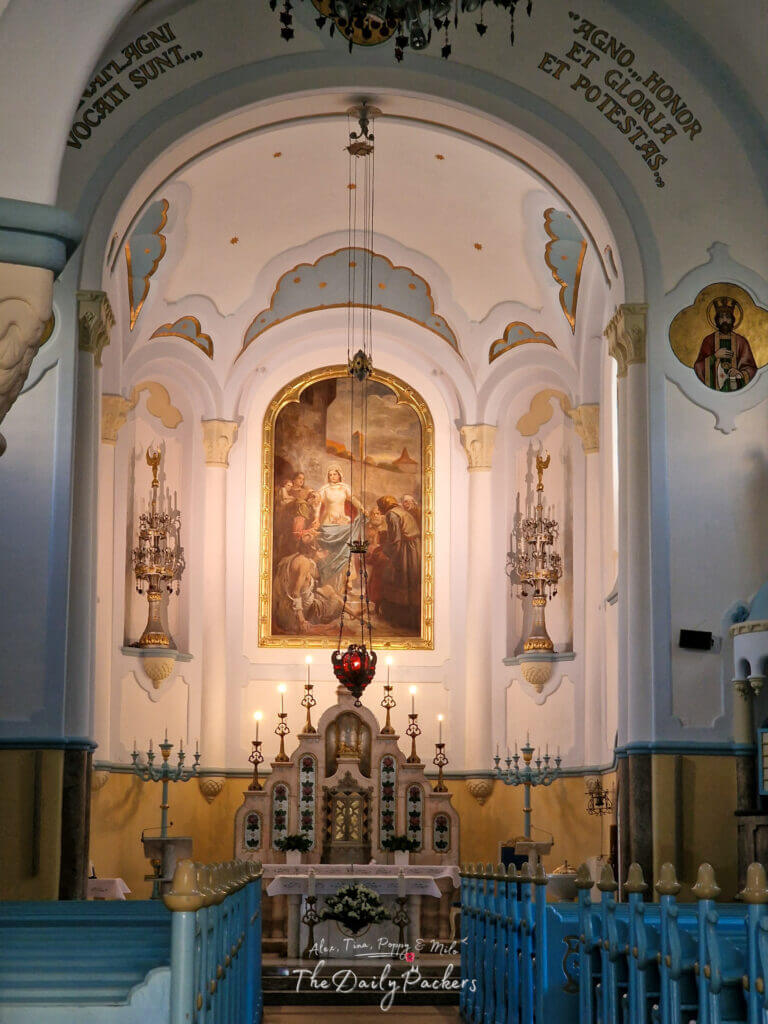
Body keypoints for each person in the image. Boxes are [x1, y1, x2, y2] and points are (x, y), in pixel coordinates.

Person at [273, 536, 343, 634]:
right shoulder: (305, 563)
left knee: (328, 589)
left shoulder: (293, 558)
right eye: (318, 548)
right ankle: (347, 614)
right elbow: (295, 593)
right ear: (313, 548)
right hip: (302, 613)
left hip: (283, 612)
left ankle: (352, 611)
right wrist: (301, 621)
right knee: (336, 603)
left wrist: (316, 559)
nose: (319, 551)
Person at [376, 495, 421, 631]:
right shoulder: (401, 511)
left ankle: (399, 618)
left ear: (385, 505)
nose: (379, 509)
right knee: (411, 580)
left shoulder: (392, 514)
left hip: (406, 549)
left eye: (380, 506)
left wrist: (386, 554)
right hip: (415, 546)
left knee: (398, 579)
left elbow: (395, 539)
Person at [694, 297, 757, 392]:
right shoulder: (709, 340)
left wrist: (740, 373)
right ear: (717, 320)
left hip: (737, 389)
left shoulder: (740, 341)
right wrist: (715, 356)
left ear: (732, 320)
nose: (725, 320)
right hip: (714, 389)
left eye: (728, 317)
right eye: (721, 317)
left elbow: (751, 367)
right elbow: (698, 366)